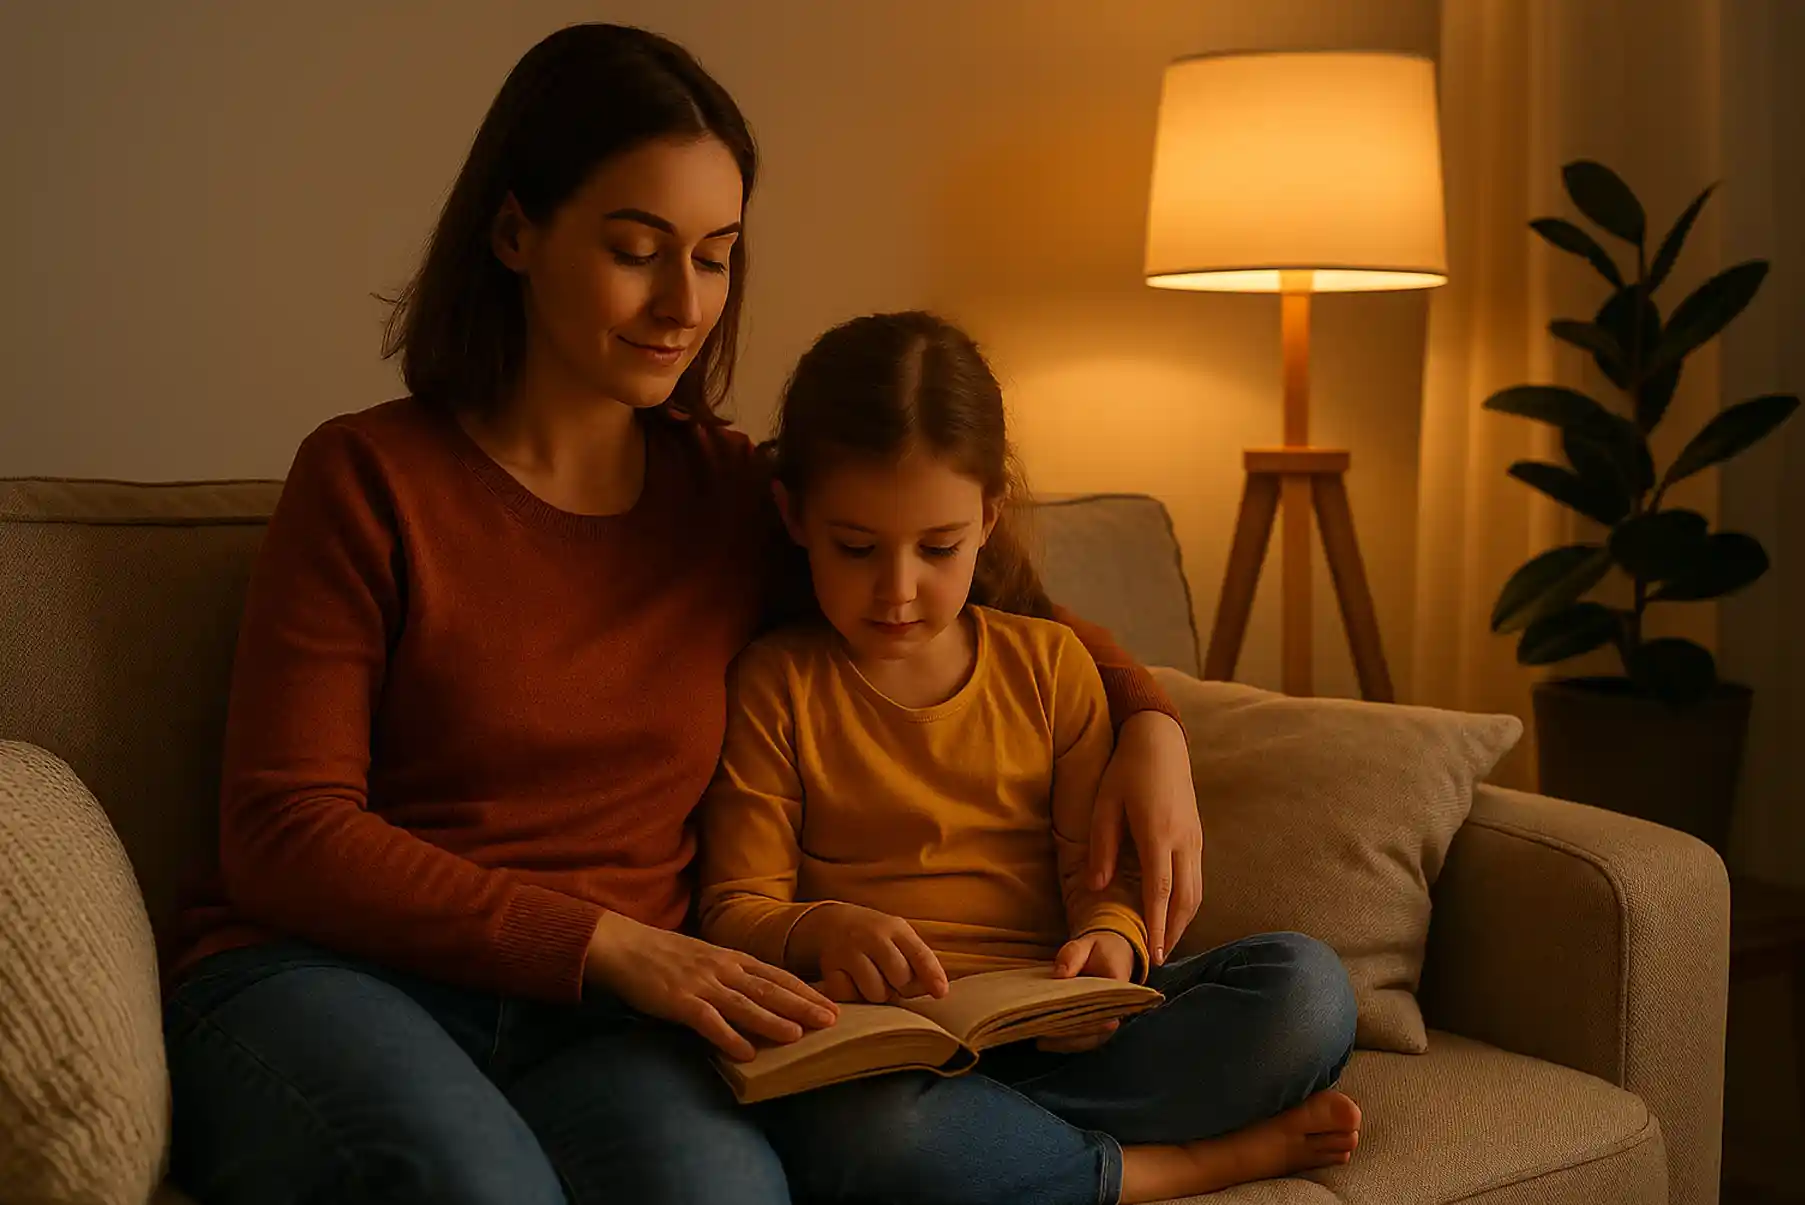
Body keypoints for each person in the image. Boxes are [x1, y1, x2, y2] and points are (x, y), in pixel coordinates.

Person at [159, 23, 1206, 1205]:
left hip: (609, 1025)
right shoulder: (366, 480)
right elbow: (285, 830)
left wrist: (1149, 721)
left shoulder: (721, 492)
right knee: (473, 1181)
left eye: (714, 256)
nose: (682, 302)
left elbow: (1000, 599)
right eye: (635, 250)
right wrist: (603, 941)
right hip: (332, 979)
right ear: (514, 232)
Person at [696, 310, 1361, 1205]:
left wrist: (1111, 945)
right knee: (876, 1138)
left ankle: (1017, 1155)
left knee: (1305, 989)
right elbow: (733, 909)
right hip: (887, 1059)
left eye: (938, 549)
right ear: (795, 517)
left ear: (988, 519)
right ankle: (1179, 1166)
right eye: (857, 549)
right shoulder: (777, 683)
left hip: (1055, 1030)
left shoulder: (1048, 665)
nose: (897, 590)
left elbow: (1103, 877)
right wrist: (822, 928)